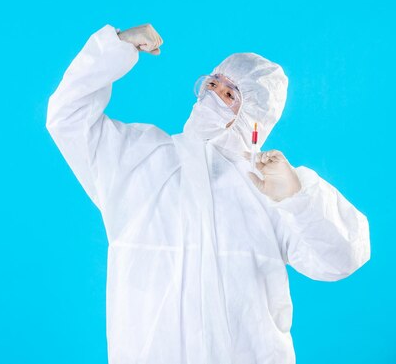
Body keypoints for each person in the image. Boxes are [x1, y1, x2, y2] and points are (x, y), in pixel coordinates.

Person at [45, 23, 371, 364]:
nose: (214, 94)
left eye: (230, 95)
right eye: (213, 84)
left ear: (253, 118)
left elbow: (340, 260)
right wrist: (112, 50)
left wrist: (298, 198)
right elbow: (67, 117)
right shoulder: (140, 159)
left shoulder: (267, 186)